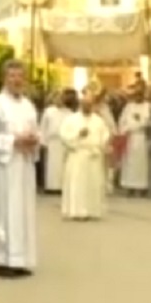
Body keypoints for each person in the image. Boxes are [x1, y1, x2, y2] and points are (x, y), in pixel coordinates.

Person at [0, 61, 39, 278]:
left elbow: (35, 133)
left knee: (21, 211)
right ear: (4, 78)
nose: (16, 80)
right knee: (3, 211)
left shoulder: (28, 106)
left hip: (23, 167)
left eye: (20, 75)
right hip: (3, 167)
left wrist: (33, 141)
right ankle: (0, 259)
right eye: (12, 76)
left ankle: (19, 259)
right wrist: (12, 141)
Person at [58, 92, 111, 220]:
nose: (87, 106)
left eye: (90, 104)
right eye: (85, 104)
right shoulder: (71, 119)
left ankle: (92, 211)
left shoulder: (98, 120)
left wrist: (101, 145)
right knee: (78, 184)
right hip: (78, 155)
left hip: (93, 156)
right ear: (80, 105)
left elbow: (105, 135)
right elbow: (63, 135)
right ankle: (77, 211)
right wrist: (78, 134)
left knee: (94, 185)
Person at [117, 88, 151, 196]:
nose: (138, 97)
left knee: (142, 164)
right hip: (130, 137)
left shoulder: (148, 106)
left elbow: (149, 122)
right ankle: (130, 186)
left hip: (141, 138)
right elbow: (122, 121)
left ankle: (142, 187)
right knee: (129, 163)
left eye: (140, 95)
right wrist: (125, 129)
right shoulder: (129, 107)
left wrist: (140, 120)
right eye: (136, 95)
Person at [38, 90, 69, 194]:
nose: (59, 100)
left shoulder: (68, 112)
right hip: (52, 141)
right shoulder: (48, 111)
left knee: (62, 165)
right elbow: (43, 127)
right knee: (51, 165)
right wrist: (43, 141)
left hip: (64, 141)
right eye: (57, 98)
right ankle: (50, 186)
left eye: (61, 98)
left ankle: (61, 187)